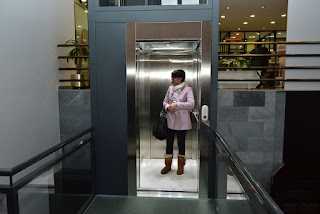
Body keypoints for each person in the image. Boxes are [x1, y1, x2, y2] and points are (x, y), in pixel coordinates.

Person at [161, 69, 195, 175]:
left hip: (182, 122)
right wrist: (167, 107)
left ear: (179, 79)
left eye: (174, 77)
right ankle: (167, 166)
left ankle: (181, 167)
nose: (172, 80)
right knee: (169, 143)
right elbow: (165, 101)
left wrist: (177, 105)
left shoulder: (188, 89)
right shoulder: (170, 88)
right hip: (170, 120)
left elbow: (191, 104)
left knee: (181, 143)